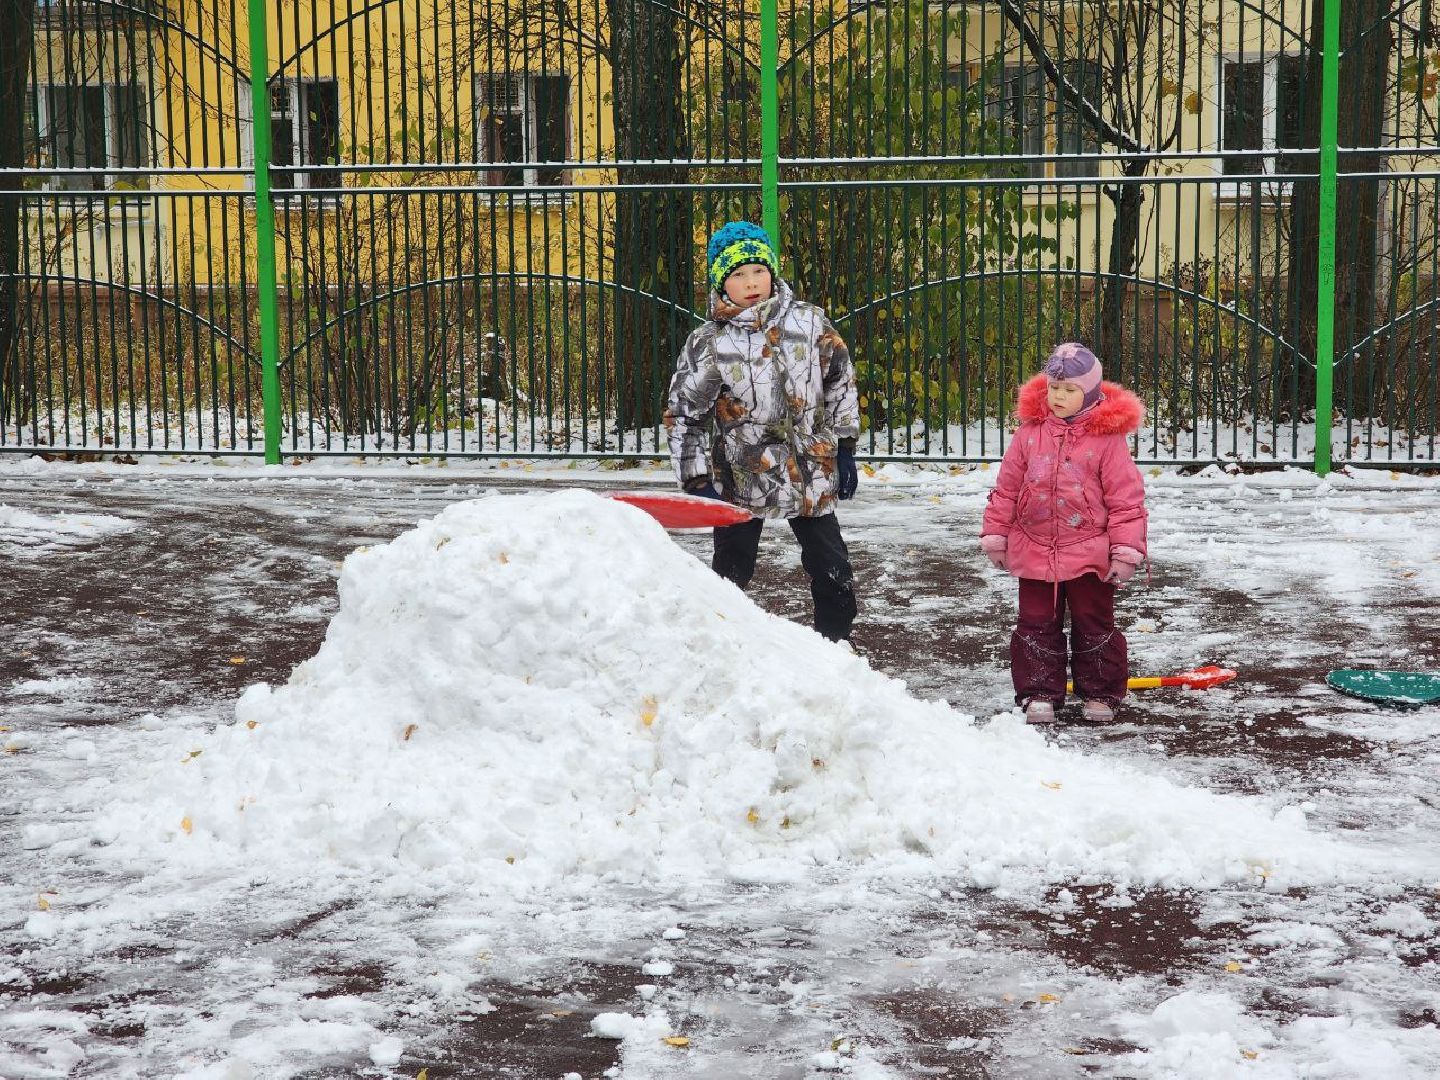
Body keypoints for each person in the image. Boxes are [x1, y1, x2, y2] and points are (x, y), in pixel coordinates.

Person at [663, 221, 860, 643]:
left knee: (832, 567)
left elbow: (839, 381)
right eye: (738, 274)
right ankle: (722, 641)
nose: (751, 283)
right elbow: (685, 412)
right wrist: (695, 476)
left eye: (758, 270)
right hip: (741, 472)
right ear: (721, 284)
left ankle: (837, 643)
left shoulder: (810, 323)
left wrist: (845, 446)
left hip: (811, 470)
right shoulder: (709, 342)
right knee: (732, 570)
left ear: (772, 271)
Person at [980, 342, 1148, 724]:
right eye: (1054, 388)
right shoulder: (1029, 435)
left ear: (1088, 393)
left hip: (1090, 551)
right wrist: (997, 533)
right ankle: (1039, 691)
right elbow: (1007, 488)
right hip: (1034, 546)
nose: (1058, 397)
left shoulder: (1107, 441)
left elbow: (1126, 498)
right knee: (1035, 622)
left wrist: (1124, 551)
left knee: (1094, 621)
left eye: (1069, 390)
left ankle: (1101, 692)